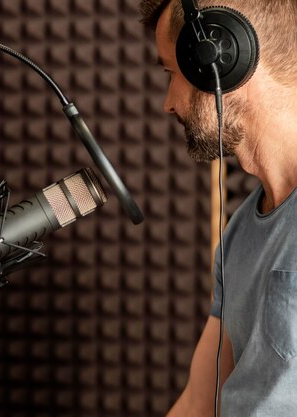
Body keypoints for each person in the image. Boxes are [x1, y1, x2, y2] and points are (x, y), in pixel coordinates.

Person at [140, 0, 297, 416]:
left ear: (224, 60)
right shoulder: (241, 230)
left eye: (171, 73)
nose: (168, 102)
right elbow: (198, 401)